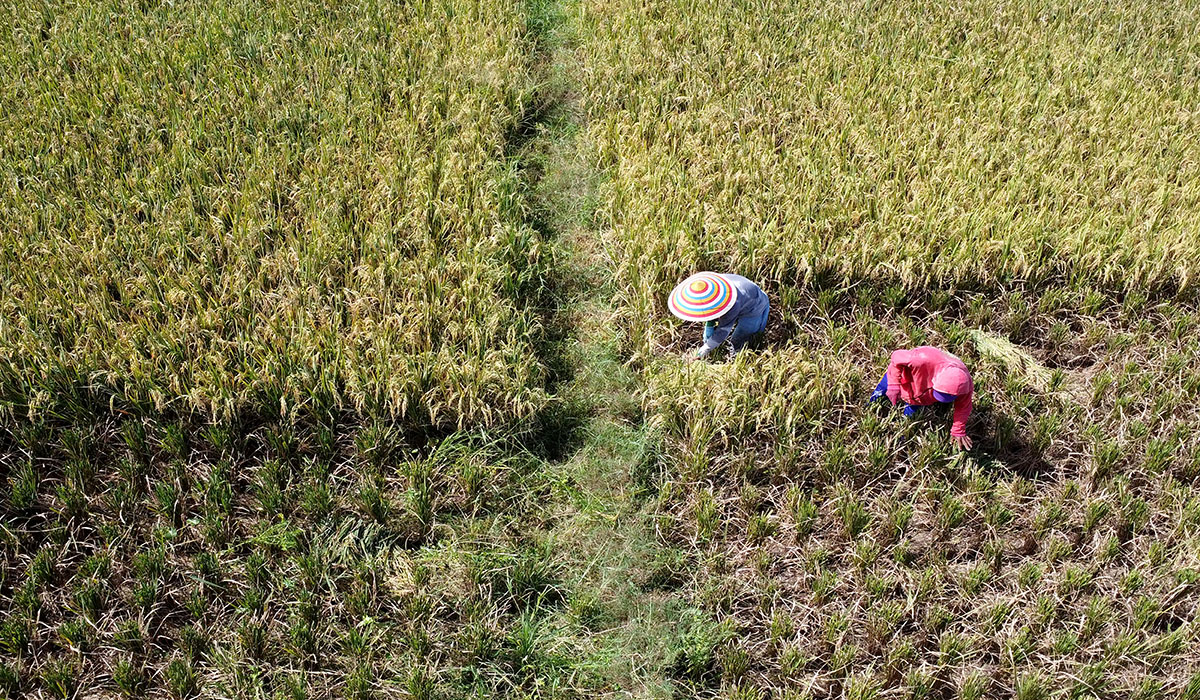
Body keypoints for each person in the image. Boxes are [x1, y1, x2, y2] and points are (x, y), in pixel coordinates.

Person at [869, 346, 975, 450]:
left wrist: (958, 430)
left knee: (910, 416)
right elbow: (896, 357)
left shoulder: (965, 385)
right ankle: (869, 408)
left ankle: (901, 438)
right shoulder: (922, 358)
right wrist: (893, 384)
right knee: (879, 394)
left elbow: (963, 407)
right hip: (907, 379)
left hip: (922, 398)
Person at [669, 272, 769, 360]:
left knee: (738, 338)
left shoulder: (733, 304)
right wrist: (707, 337)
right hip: (745, 296)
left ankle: (736, 357)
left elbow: (722, 332)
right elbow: (709, 315)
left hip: (755, 306)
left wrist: (702, 351)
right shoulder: (713, 284)